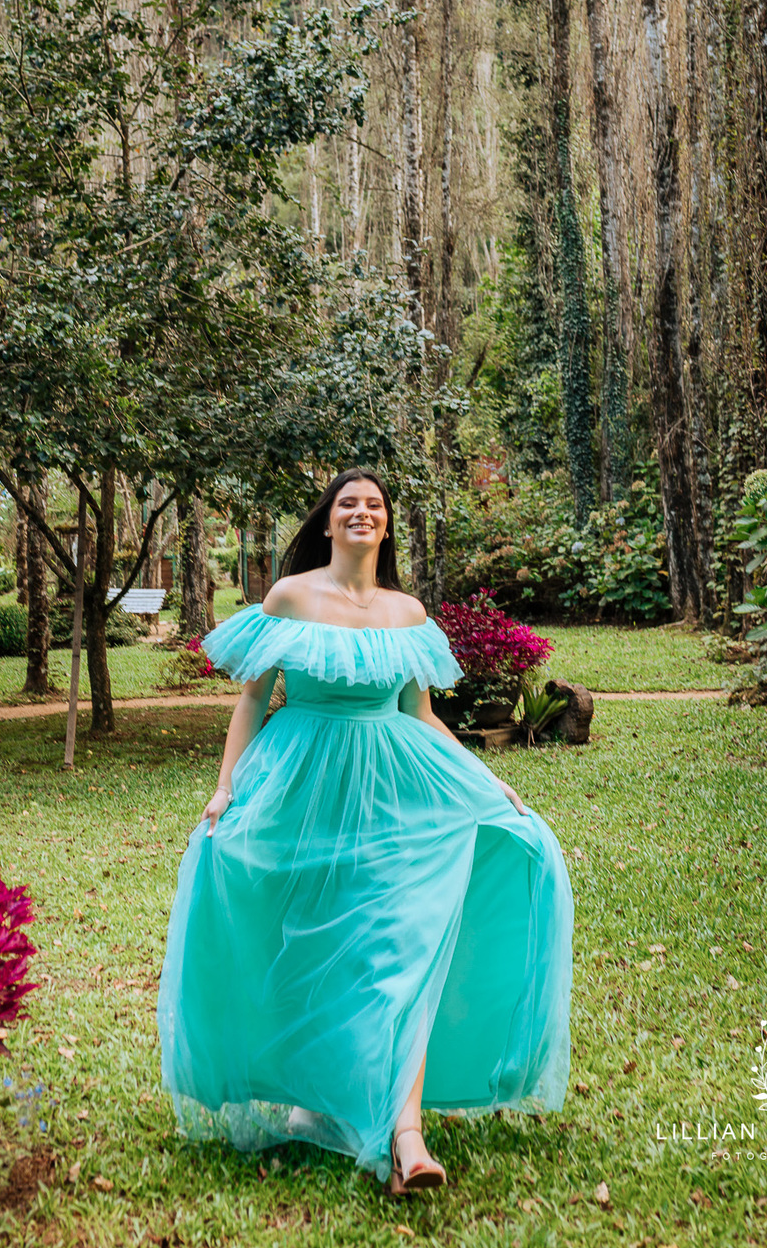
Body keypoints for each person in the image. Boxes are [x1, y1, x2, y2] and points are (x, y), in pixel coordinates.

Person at [156, 469, 574, 1194]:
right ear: (327, 521)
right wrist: (225, 788)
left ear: (387, 525)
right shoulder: (291, 597)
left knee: (399, 950)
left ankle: (406, 1136)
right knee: (314, 945)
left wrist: (485, 780)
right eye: (348, 503)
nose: (361, 512)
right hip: (301, 788)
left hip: (393, 794)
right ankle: (316, 1108)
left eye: (374, 505)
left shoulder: (408, 613)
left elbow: (422, 716)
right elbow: (252, 701)